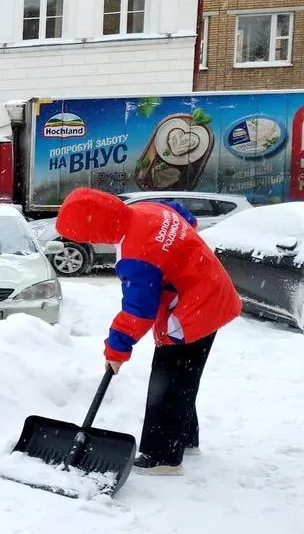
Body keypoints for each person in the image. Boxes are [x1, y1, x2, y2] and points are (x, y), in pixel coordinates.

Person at [55, 187, 242, 475]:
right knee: (184, 376)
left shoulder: (136, 255)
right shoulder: (150, 210)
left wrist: (116, 349)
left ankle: (162, 457)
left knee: (166, 382)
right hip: (214, 294)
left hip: (191, 311)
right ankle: (186, 439)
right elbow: (186, 217)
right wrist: (173, 262)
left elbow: (138, 310)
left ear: (96, 228)